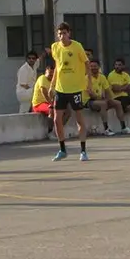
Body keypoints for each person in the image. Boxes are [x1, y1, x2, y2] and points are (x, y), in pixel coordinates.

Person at [50, 22, 91, 162]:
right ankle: (62, 149)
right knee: (57, 119)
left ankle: (83, 150)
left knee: (79, 118)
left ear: (69, 33)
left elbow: (87, 64)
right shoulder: (55, 47)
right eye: (59, 33)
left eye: (64, 33)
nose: (62, 36)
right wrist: (52, 85)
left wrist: (89, 82)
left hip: (75, 89)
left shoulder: (77, 46)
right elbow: (57, 66)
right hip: (61, 89)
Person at [84, 59, 119, 137]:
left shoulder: (102, 77)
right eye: (91, 66)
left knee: (117, 103)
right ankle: (106, 129)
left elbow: (108, 90)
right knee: (103, 104)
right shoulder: (86, 78)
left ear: (99, 67)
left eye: (95, 66)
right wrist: (103, 100)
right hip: (88, 101)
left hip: (99, 100)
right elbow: (91, 94)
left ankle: (123, 127)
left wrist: (110, 99)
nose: (93, 68)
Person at [31, 63, 56, 135]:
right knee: (52, 110)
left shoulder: (53, 81)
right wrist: (51, 103)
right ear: (46, 72)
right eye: (49, 74)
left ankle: (56, 129)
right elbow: (44, 92)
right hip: (38, 104)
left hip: (48, 103)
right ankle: (50, 132)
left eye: (52, 74)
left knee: (67, 111)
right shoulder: (42, 78)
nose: (51, 76)